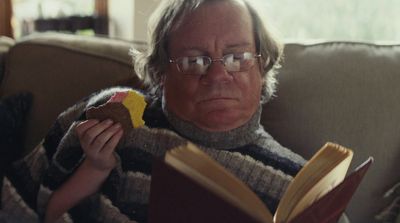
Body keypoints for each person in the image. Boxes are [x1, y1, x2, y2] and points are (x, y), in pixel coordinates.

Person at [43, 0, 307, 222]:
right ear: (160, 73)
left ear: (263, 67)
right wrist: (95, 168)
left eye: (237, 58)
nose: (217, 76)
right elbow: (40, 213)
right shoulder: (115, 120)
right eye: (194, 61)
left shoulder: (299, 184)